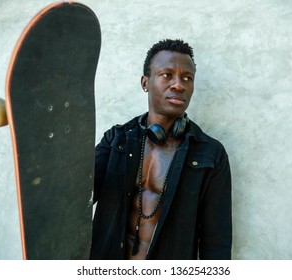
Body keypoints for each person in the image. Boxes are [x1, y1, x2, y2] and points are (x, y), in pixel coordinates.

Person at [89, 39, 232, 260]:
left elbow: (216, 240)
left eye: (187, 78)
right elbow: (78, 197)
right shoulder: (116, 140)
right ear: (145, 82)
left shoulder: (210, 154)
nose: (178, 85)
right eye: (167, 74)